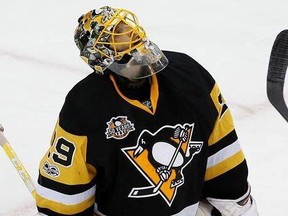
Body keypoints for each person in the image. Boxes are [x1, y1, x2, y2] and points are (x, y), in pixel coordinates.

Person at [35, 6, 259, 216]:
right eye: (117, 37)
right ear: (100, 57)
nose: (130, 39)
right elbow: (65, 196)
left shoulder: (190, 78)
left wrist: (237, 205)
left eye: (128, 32)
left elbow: (223, 154)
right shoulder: (84, 107)